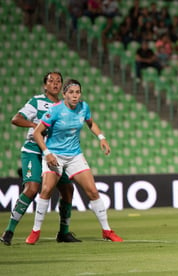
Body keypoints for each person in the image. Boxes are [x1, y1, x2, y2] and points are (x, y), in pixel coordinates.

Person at [25, 79, 123, 244]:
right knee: (47, 190)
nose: (75, 96)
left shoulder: (84, 107)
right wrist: (47, 153)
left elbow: (91, 123)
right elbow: (37, 133)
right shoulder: (55, 110)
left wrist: (101, 138)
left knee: (92, 191)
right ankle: (35, 231)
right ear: (64, 95)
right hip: (54, 155)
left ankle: (107, 230)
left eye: (77, 92)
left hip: (75, 156)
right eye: (71, 92)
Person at [1, 72, 79, 246]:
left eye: (59, 81)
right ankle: (9, 230)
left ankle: (64, 232)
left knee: (67, 190)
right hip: (34, 150)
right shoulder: (37, 101)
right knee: (32, 188)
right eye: (51, 81)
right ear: (45, 85)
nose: (55, 84)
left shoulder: (65, 105)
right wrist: (34, 125)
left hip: (54, 154)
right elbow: (16, 119)